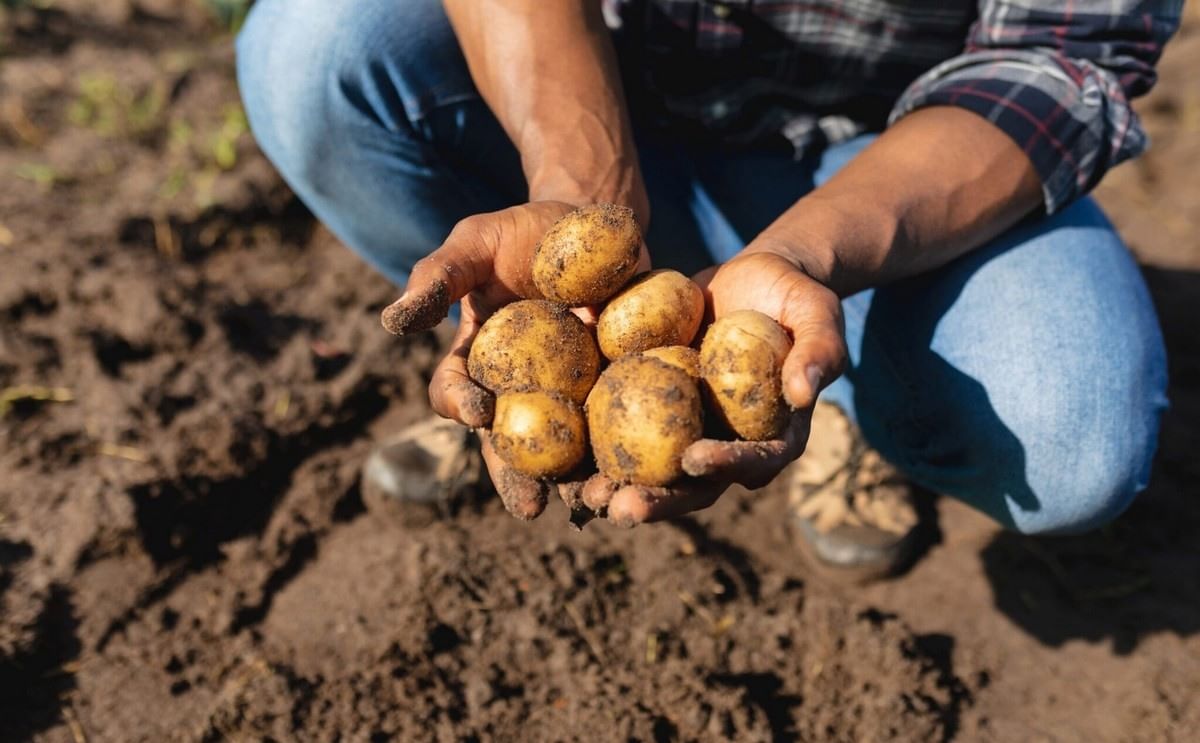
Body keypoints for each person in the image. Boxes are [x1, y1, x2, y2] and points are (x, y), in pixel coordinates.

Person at [236, 0, 1178, 580]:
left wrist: (807, 255)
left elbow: (1065, 59)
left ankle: (834, 384)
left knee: (1068, 434)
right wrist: (581, 206)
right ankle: (513, 374)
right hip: (619, 100)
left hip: (902, 151)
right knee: (314, 45)